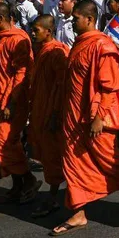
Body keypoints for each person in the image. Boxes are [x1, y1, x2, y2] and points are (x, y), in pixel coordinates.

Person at [52, 0, 119, 237]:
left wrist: (99, 117)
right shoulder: (81, 44)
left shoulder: (102, 46)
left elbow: (110, 87)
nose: (73, 23)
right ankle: (78, 212)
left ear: (89, 19)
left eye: (76, 19)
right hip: (73, 115)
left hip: (94, 117)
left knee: (110, 160)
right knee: (72, 163)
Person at [0, 2, 39, 203]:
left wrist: (11, 104)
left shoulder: (18, 39)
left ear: (1, 18)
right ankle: (17, 185)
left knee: (6, 143)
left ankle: (29, 180)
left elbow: (22, 74)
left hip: (12, 101)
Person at [27, 15, 70, 218]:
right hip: (40, 110)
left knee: (54, 157)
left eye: (36, 30)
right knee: (48, 156)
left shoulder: (57, 52)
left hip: (53, 112)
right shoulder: (42, 51)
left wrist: (54, 114)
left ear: (49, 31)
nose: (33, 34)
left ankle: (53, 198)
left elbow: (62, 87)